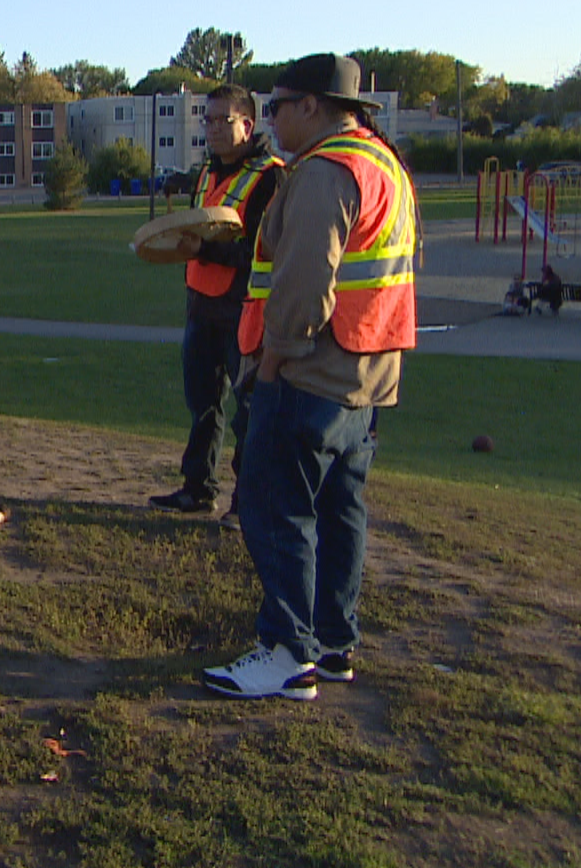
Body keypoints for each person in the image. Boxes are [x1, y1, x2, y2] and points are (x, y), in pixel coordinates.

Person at [203, 54, 418, 701]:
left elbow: (301, 284)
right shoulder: (384, 163)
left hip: (311, 372)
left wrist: (271, 363)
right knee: (340, 510)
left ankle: (286, 651)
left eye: (275, 106)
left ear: (312, 107)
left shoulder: (325, 171)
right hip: (368, 374)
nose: (270, 119)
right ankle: (331, 644)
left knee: (275, 508)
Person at [149, 84, 284, 527]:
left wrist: (202, 251)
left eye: (222, 120)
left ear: (248, 123)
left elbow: (265, 252)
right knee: (203, 404)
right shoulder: (208, 172)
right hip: (201, 306)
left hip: (243, 309)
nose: (212, 129)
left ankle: (247, 504)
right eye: (206, 119)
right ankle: (197, 489)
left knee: (250, 412)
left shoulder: (271, 176)